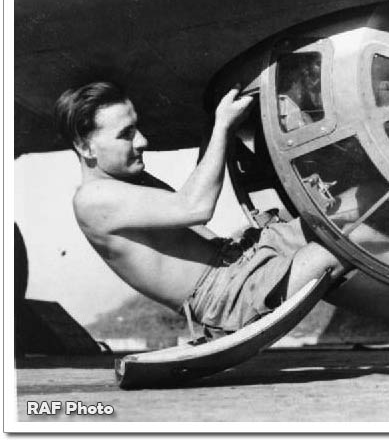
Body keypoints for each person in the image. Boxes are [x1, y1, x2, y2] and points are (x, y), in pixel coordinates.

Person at [55, 81, 344, 335]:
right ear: (85, 147)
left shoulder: (126, 182)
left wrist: (213, 127)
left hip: (241, 256)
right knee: (353, 240)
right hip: (229, 295)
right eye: (126, 133)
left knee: (356, 207)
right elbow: (196, 206)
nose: (142, 141)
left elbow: (191, 197)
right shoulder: (92, 199)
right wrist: (221, 126)